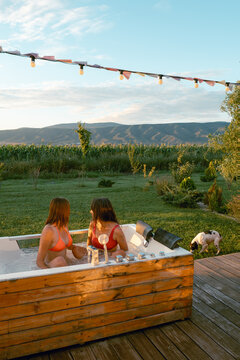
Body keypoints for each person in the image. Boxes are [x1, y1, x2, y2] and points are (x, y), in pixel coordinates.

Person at [36, 198, 87, 269]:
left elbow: (66, 245)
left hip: (65, 264)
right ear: (63, 211)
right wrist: (47, 276)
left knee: (87, 259)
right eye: (68, 209)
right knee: (60, 260)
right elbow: (39, 261)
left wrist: (75, 248)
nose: (69, 212)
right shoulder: (49, 230)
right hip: (54, 266)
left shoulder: (64, 226)